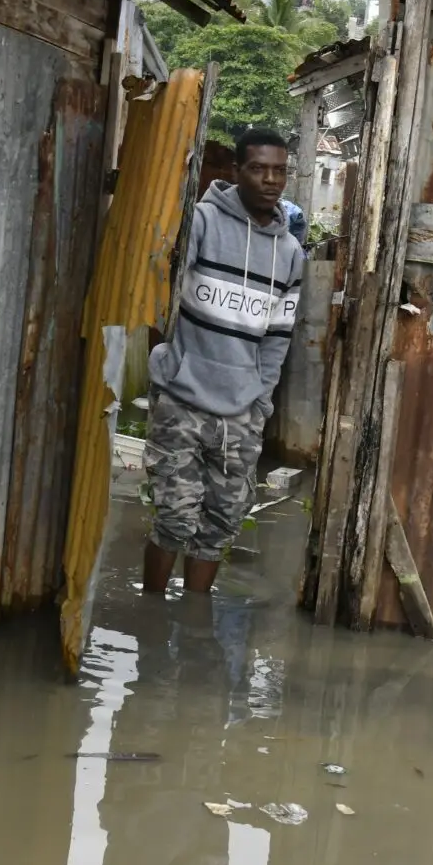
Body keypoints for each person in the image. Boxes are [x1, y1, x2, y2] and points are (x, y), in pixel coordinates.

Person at [143, 128, 306, 596]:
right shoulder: (201, 223)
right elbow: (160, 287)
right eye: (258, 168)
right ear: (237, 172)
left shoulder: (290, 254)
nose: (271, 179)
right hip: (182, 398)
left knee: (221, 523)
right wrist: (170, 366)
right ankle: (150, 623)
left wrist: (260, 399)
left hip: (241, 412)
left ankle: (195, 620)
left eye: (279, 170)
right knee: (175, 517)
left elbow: (278, 336)